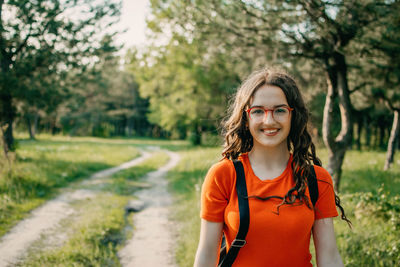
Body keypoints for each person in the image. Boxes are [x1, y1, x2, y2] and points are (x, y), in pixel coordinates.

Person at [193, 68, 351, 267]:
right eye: (258, 111)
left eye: (280, 110)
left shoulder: (316, 179)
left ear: (293, 115)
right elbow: (207, 253)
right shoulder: (223, 175)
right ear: (246, 117)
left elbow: (329, 257)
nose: (269, 120)